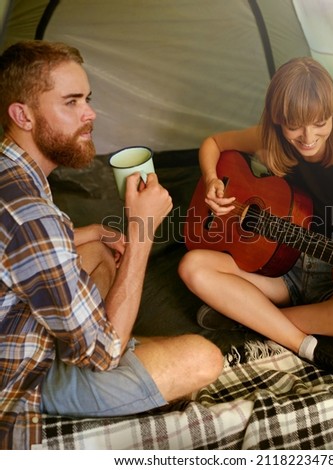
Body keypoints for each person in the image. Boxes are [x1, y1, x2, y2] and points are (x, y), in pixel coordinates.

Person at [0, 40, 223, 450]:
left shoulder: (10, 171)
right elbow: (102, 356)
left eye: (87, 99)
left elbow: (18, 252)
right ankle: (113, 351)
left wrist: (87, 232)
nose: (90, 114)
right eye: (71, 102)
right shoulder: (34, 216)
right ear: (23, 115)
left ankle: (117, 338)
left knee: (98, 250)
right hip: (19, 378)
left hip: (12, 327)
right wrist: (141, 229)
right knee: (204, 357)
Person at [179, 57, 333, 383]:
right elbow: (214, 143)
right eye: (295, 125)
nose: (308, 136)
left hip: (329, 282)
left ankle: (254, 318)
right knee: (192, 266)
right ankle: (303, 343)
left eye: (320, 122)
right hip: (279, 274)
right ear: (277, 118)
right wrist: (210, 181)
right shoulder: (270, 139)